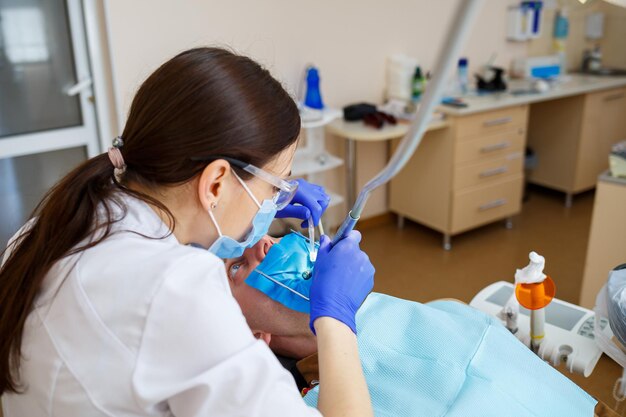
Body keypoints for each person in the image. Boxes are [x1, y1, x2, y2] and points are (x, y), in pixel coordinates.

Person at [0, 47, 375, 417]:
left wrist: (264, 198)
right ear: (215, 184)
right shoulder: (177, 291)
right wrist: (336, 316)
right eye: (276, 187)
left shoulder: (53, 225)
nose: (275, 205)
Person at [225, 233, 599, 417]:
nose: (263, 245)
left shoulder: (431, 309)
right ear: (253, 334)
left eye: (258, 232)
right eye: (236, 267)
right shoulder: (315, 406)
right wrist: (334, 315)